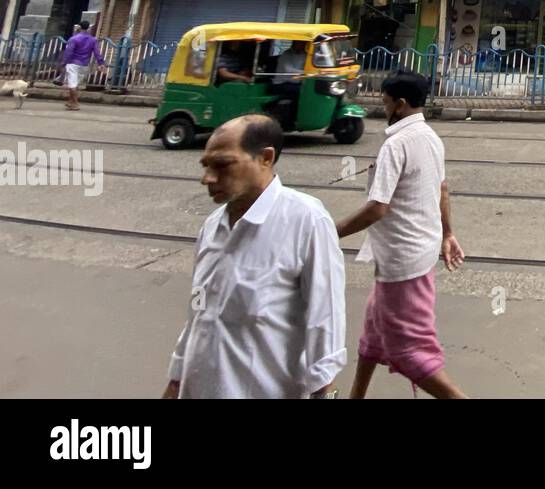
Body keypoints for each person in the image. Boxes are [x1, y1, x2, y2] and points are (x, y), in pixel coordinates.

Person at [164, 114, 346, 399]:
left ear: (266, 158)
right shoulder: (212, 226)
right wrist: (176, 382)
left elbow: (325, 320)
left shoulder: (306, 220)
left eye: (223, 165)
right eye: (206, 166)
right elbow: (199, 314)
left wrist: (324, 391)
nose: (208, 178)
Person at [336, 69, 468, 399]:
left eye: (385, 101)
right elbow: (442, 189)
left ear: (401, 104)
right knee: (373, 334)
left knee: (409, 353)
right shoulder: (430, 138)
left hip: (403, 260)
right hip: (417, 250)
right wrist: (448, 234)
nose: (382, 106)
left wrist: (328, 231)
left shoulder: (396, 145)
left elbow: (377, 208)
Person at [61, 21, 104, 111]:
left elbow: (69, 52)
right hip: (84, 64)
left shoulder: (74, 39)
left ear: (80, 27)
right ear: (88, 28)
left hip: (73, 63)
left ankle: (75, 103)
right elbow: (97, 52)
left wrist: (63, 62)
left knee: (72, 84)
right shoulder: (93, 40)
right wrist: (101, 63)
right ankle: (70, 102)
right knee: (75, 84)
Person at [271, 40, 308, 105]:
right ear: (295, 43)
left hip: (296, 83)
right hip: (281, 84)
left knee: (309, 90)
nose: (303, 44)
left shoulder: (305, 55)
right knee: (303, 91)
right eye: (300, 42)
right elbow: (288, 70)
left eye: (304, 43)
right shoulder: (286, 54)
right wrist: (307, 72)